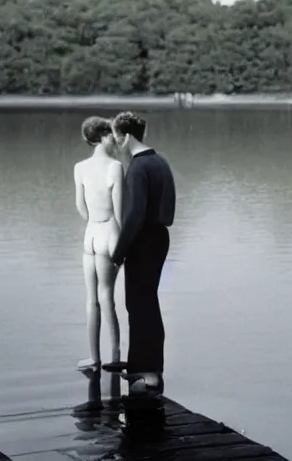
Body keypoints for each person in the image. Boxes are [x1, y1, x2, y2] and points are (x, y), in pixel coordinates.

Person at [109, 111, 176, 394]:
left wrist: (118, 252)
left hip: (144, 239)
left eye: (116, 137)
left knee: (139, 304)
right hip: (160, 235)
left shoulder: (137, 168)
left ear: (125, 136)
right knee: (145, 302)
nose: (116, 143)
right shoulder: (161, 162)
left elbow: (135, 215)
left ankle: (147, 370)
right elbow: (170, 209)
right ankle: (142, 363)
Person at [73, 116, 124, 371]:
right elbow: (120, 211)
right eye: (113, 136)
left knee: (90, 299)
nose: (115, 141)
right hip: (109, 234)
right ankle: (115, 358)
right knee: (107, 298)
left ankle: (94, 357)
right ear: (104, 136)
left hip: (90, 236)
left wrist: (92, 220)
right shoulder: (114, 166)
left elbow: (80, 207)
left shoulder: (79, 167)